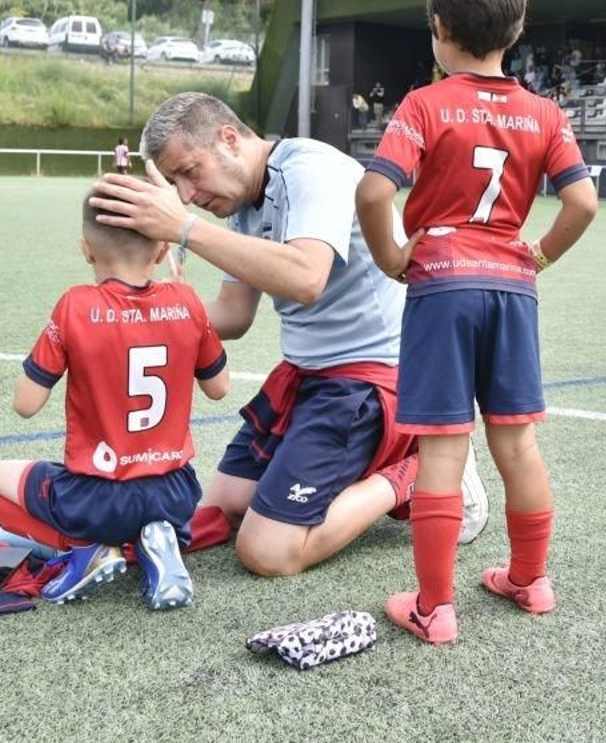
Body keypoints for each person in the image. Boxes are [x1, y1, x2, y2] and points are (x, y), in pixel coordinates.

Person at [88, 92, 488, 577]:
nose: (187, 194)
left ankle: (419, 469)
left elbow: (305, 278)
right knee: (223, 508)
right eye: (175, 184)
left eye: (189, 172)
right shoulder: (242, 205)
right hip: (308, 374)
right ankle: (351, 471)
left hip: (371, 378)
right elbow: (233, 315)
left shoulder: (312, 171)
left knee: (267, 551)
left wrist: (185, 228)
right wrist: (137, 308)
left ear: (228, 139)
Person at [357, 0, 598, 646]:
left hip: (442, 284)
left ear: (438, 27)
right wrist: (539, 254)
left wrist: (393, 258)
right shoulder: (545, 113)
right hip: (512, 287)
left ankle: (435, 609)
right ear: (515, 31)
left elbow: (375, 191)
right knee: (517, 444)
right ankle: (531, 579)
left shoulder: (425, 104)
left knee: (441, 450)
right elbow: (582, 201)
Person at [0, 194, 231, 608]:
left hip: (95, 496)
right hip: (176, 492)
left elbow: (26, 403)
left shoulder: (76, 305)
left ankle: (86, 548)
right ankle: (152, 541)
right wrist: (185, 306)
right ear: (163, 249)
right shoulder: (188, 303)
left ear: (86, 249)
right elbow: (220, 388)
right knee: (140, 506)